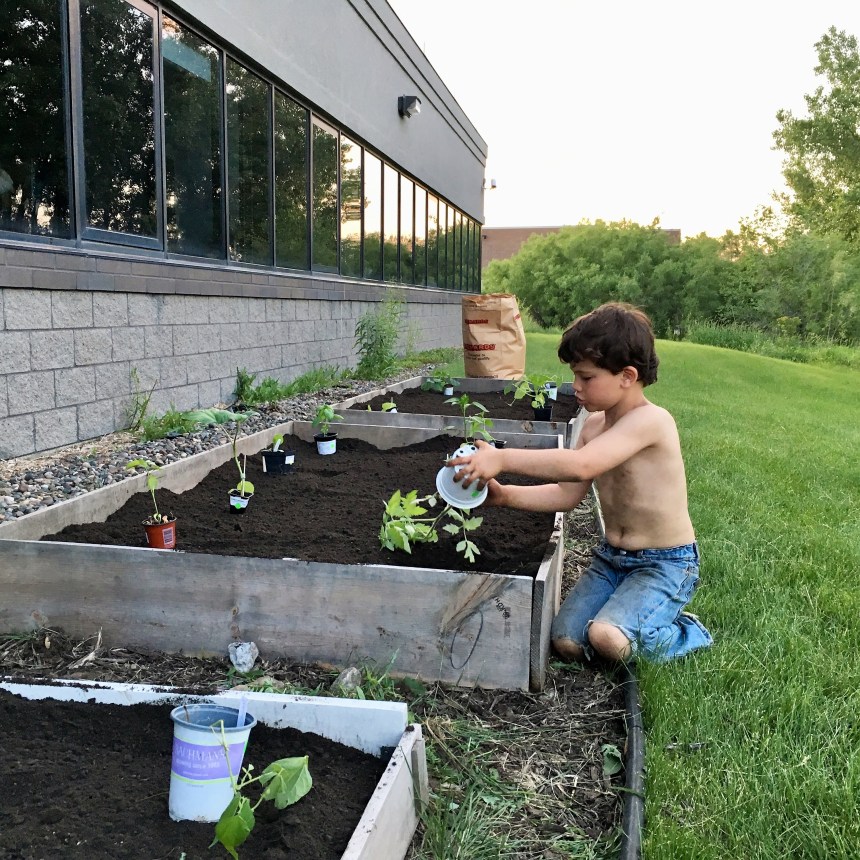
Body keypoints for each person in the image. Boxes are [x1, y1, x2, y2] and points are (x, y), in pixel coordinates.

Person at [449, 302, 712, 663]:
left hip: (664, 564)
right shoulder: (592, 426)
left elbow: (581, 465)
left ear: (627, 376)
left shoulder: (652, 421)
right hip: (612, 560)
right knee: (567, 641)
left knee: (606, 637)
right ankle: (630, 613)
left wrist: (503, 458)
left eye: (586, 377)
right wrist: (504, 495)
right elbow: (566, 494)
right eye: (575, 375)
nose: (575, 387)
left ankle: (686, 632)